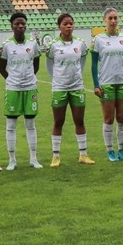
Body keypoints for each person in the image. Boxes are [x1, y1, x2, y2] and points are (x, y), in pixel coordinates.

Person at [47, 13, 95, 166]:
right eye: (65, 23)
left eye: (71, 23)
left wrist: (76, 77)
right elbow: (49, 66)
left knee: (79, 120)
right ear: (59, 26)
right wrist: (57, 80)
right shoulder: (53, 45)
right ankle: (55, 156)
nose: (69, 26)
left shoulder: (80, 44)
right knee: (58, 121)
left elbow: (82, 62)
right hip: (59, 87)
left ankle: (83, 154)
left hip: (77, 87)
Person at [91, 7, 123, 161]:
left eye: (115, 18)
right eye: (110, 18)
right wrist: (96, 85)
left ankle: (122, 150)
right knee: (109, 118)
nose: (113, 21)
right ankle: (110, 151)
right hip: (107, 83)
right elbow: (93, 64)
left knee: (122, 118)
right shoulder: (98, 40)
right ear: (105, 20)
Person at [0, 12, 42, 170]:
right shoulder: (7, 45)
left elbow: (36, 64)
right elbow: (1, 68)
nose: (20, 26)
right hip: (13, 89)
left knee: (30, 124)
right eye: (17, 24)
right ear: (12, 26)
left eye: (23, 23)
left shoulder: (33, 44)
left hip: (30, 88)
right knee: (11, 125)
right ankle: (12, 160)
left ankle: (34, 159)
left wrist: (28, 79)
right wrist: (12, 80)